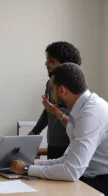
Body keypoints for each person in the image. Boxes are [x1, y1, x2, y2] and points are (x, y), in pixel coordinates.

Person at [10, 63, 108, 195]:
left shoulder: (89, 115)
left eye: (52, 88)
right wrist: (34, 164)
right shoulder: (81, 108)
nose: (51, 93)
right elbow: (67, 159)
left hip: (98, 183)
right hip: (87, 177)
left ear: (62, 90)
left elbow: (71, 170)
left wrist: (27, 169)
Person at [28, 41, 82, 159]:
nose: (46, 64)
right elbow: (48, 110)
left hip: (70, 144)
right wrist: (35, 131)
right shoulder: (51, 83)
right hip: (53, 143)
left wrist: (57, 112)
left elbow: (76, 124)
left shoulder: (77, 88)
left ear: (66, 64)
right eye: (47, 60)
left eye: (52, 60)